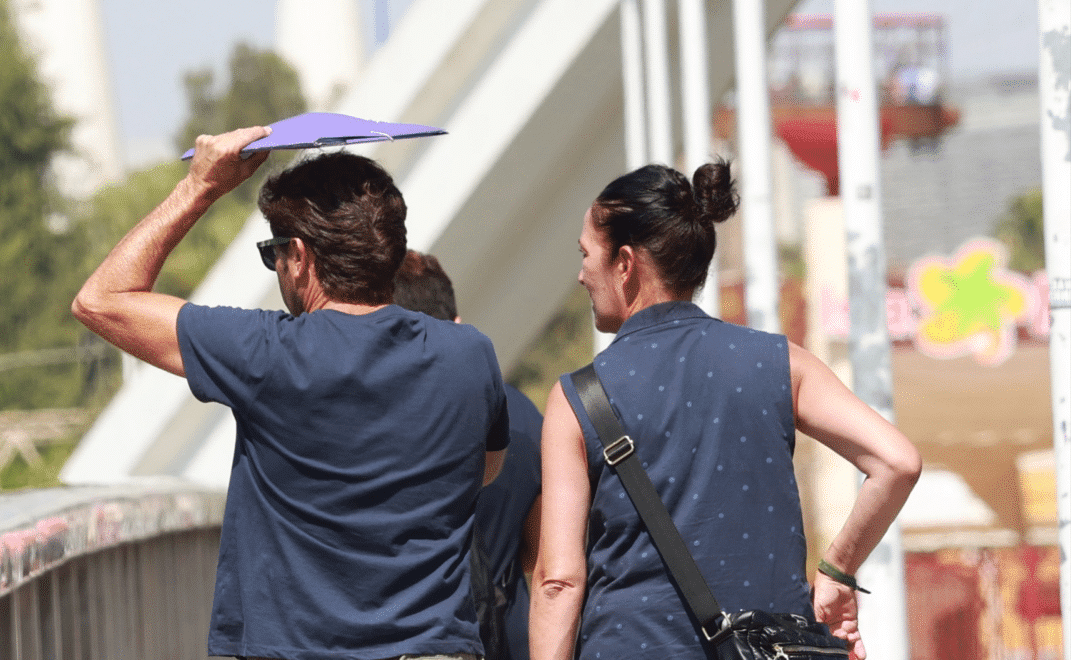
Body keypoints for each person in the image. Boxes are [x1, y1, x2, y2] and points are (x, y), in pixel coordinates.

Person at [73, 126, 510, 660]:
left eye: (272, 252)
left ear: (298, 257)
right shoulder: (469, 355)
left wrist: (201, 187)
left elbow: (100, 299)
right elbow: (486, 470)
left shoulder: (265, 354)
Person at [528, 161, 921, 660]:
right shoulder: (782, 364)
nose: (582, 274)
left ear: (625, 264)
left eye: (586, 254)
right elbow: (898, 462)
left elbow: (558, 582)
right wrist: (837, 571)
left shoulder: (577, 398)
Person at [393, 250, 543, 660]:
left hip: (413, 639)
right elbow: (539, 553)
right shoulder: (524, 417)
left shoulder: (377, 424)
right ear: (457, 325)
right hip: (508, 638)